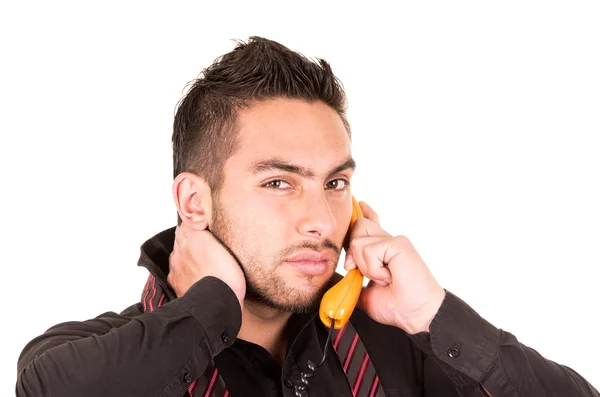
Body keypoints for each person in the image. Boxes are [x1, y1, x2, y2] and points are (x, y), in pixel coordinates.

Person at [15, 37, 598, 397]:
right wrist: (215, 301)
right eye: (278, 183)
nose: (321, 219)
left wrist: (432, 315)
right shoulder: (86, 357)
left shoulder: (399, 353)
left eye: (335, 183)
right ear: (194, 203)